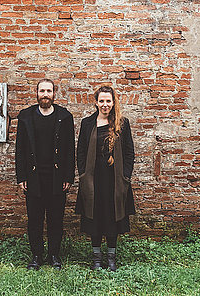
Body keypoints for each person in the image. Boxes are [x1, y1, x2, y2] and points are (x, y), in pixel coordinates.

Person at [15, 79, 75, 270]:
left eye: (49, 90)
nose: (45, 94)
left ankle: (54, 255)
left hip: (57, 178)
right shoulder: (26, 117)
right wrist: (21, 177)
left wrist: (68, 177)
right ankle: (36, 255)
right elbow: (20, 150)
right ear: (37, 93)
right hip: (34, 177)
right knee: (34, 219)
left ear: (54, 93)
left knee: (56, 219)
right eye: (42, 91)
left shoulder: (64, 117)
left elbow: (69, 150)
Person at [75, 85, 135, 271]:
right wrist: (83, 174)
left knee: (112, 218)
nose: (105, 104)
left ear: (113, 102)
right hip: (93, 180)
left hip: (115, 181)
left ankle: (111, 258)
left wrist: (125, 175)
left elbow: (129, 153)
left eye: (108, 101)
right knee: (94, 218)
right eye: (101, 101)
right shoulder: (87, 124)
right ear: (96, 102)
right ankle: (96, 258)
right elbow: (81, 152)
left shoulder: (122, 123)